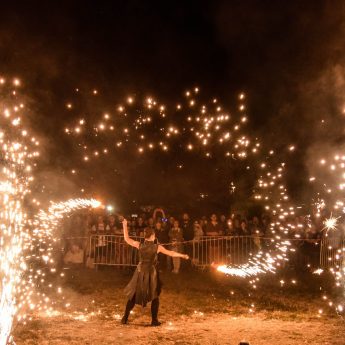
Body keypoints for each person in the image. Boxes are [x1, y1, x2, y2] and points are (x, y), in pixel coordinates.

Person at [121, 219, 188, 326]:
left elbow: (126, 238)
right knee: (154, 295)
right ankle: (154, 320)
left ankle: (125, 318)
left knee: (133, 295)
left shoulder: (139, 244)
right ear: (152, 235)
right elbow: (171, 253)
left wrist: (124, 225)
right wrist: (182, 255)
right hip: (151, 273)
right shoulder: (157, 247)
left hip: (140, 271)